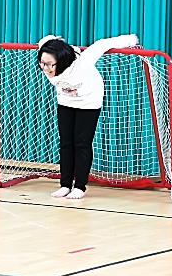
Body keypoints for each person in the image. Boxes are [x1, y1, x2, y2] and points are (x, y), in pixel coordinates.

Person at [37, 33, 139, 199]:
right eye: (42, 63)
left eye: (49, 64)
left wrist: (131, 40)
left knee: (82, 143)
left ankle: (80, 186)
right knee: (66, 144)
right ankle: (65, 185)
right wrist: (55, 40)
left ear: (61, 61)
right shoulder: (45, 53)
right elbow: (45, 41)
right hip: (66, 101)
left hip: (89, 101)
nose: (45, 68)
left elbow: (102, 44)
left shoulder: (81, 63)